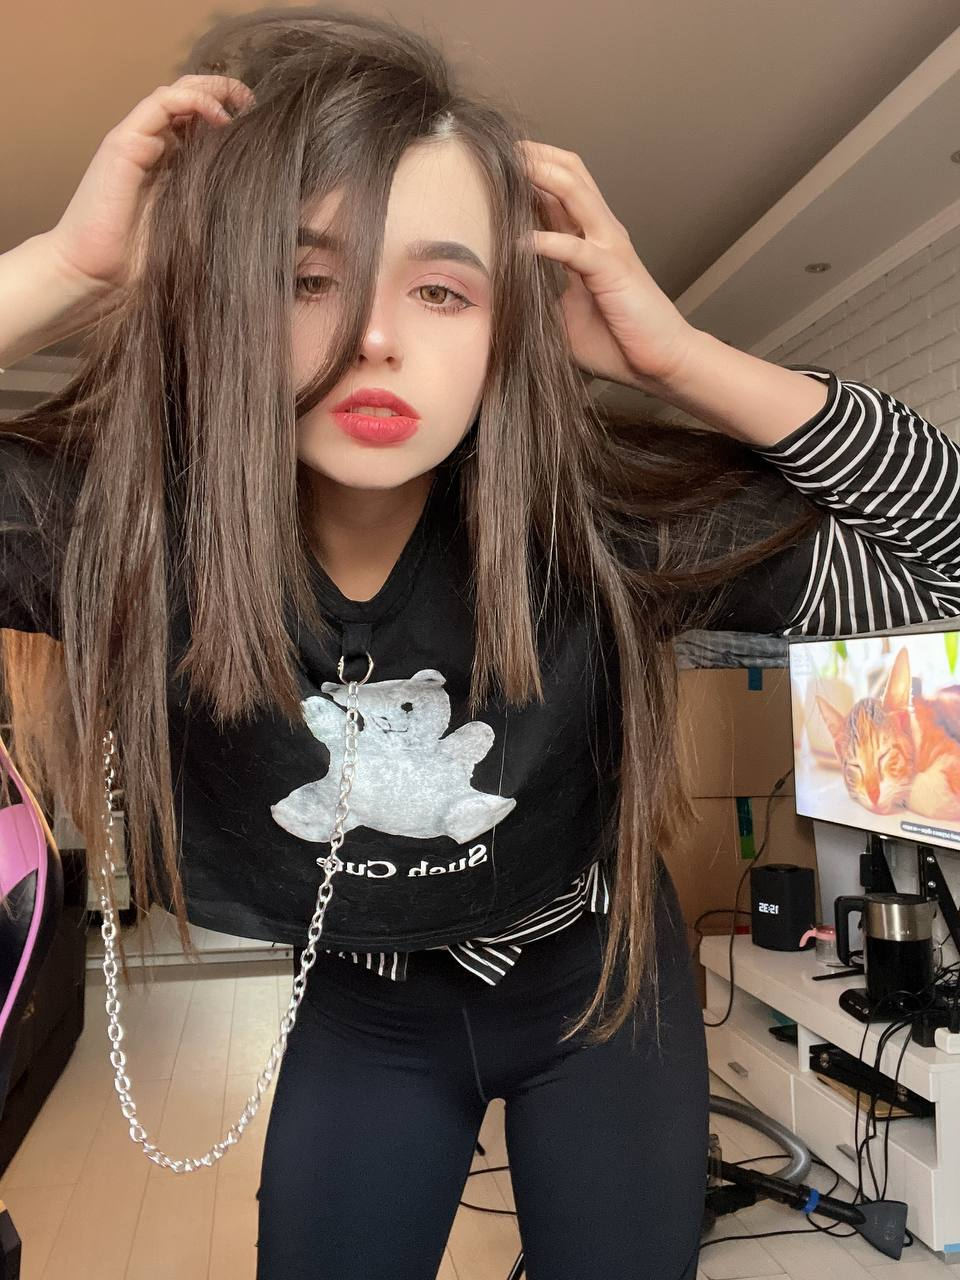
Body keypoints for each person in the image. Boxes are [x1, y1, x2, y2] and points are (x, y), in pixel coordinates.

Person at [2, 8, 959, 1278]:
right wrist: (62, 266)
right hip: (366, 1001)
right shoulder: (126, 533)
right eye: (305, 277)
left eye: (443, 289)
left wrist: (680, 357)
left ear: (504, 328)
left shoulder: (596, 524)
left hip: (600, 982)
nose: (376, 336)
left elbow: (945, 556)